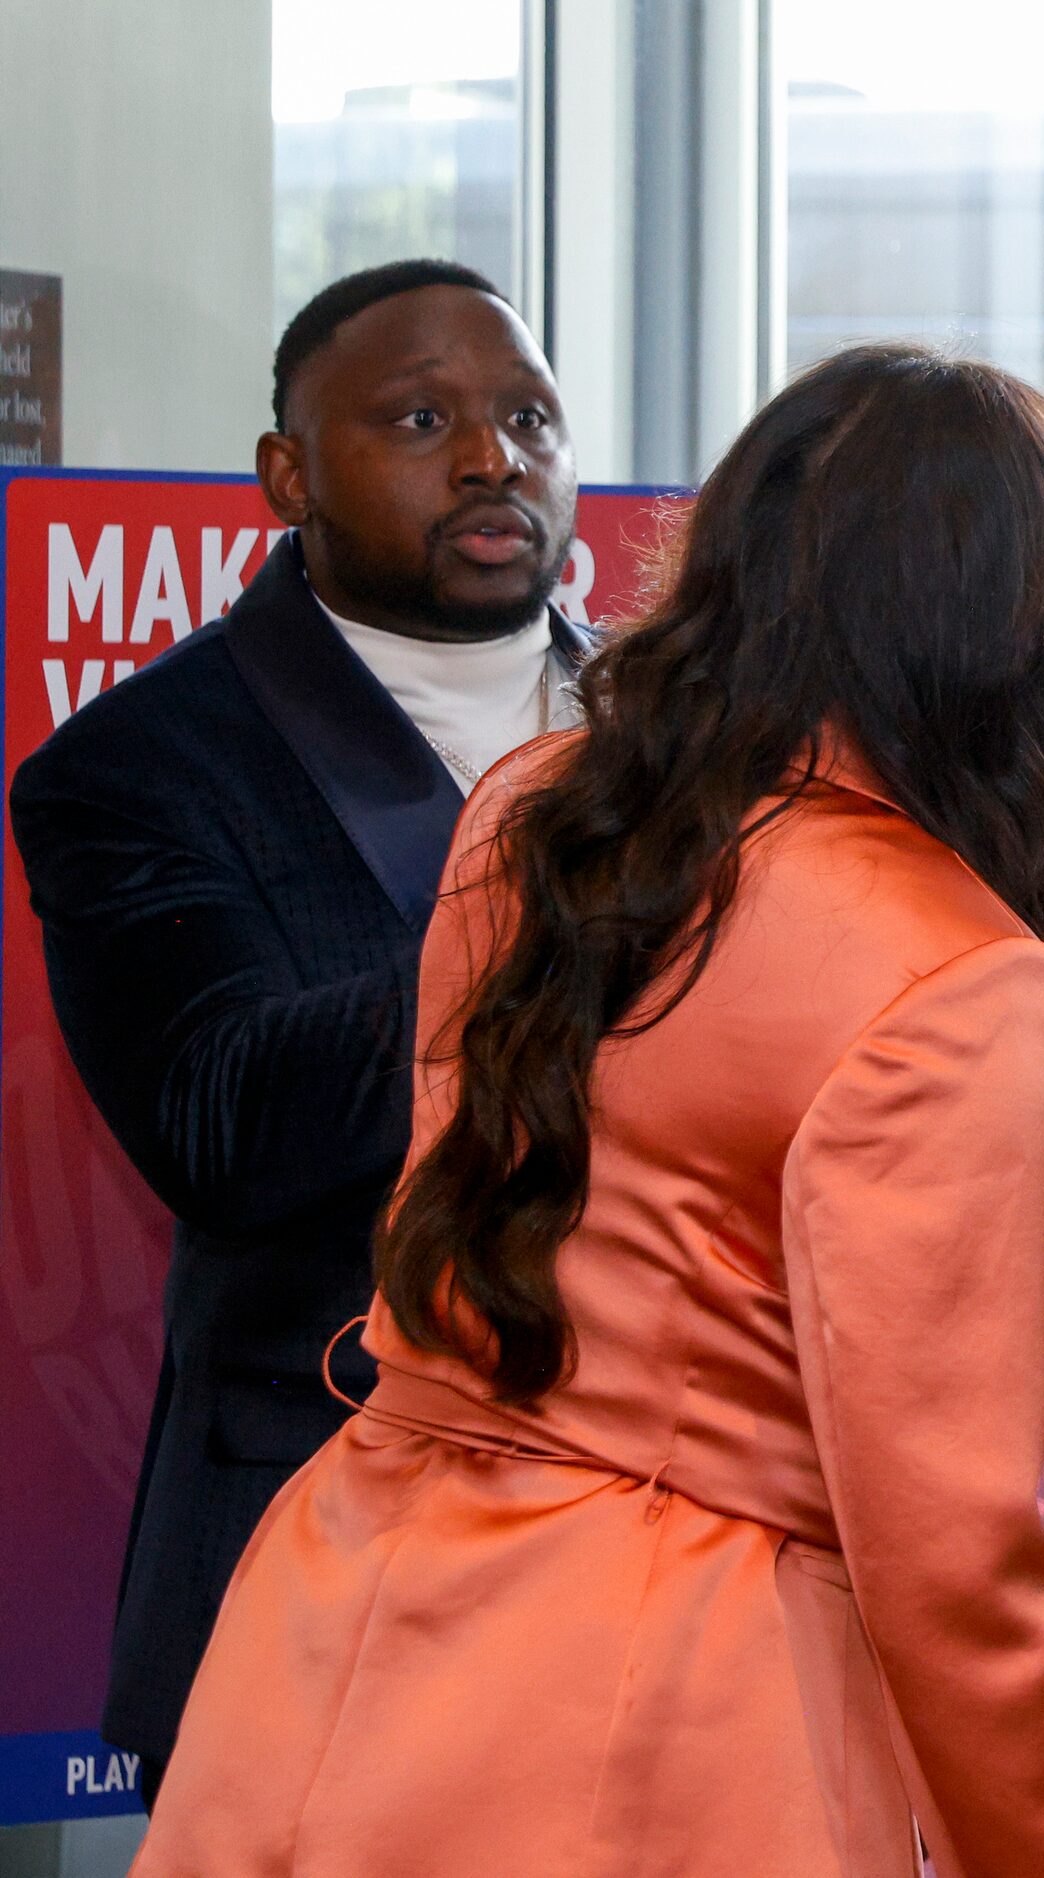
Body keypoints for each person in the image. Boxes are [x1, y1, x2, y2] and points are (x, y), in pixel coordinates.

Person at [130, 347, 1044, 1875]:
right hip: (658, 1697)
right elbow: (948, 1569)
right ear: (1024, 639)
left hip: (339, 1609)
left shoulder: (538, 812)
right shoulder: (960, 973)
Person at [8, 258, 588, 1799]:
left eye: (531, 418)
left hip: (670, 1563)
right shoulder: (136, 767)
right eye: (421, 418)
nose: (492, 461)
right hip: (319, 1567)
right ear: (287, 473)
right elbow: (224, 1123)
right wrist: (556, 909)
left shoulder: (688, 740)